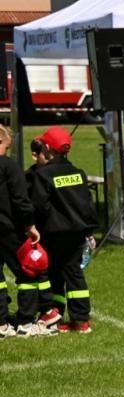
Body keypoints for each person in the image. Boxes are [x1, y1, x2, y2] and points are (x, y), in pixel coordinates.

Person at [27, 127, 97, 334]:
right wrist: (89, 230)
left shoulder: (43, 174)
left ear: (47, 148)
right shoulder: (78, 173)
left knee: (53, 275)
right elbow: (87, 204)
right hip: (77, 232)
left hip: (54, 233)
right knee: (74, 273)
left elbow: (39, 205)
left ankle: (54, 314)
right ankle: (81, 320)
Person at [0, 124, 42, 336]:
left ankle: (1, 324)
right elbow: (20, 199)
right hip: (8, 228)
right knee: (26, 273)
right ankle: (26, 321)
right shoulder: (9, 166)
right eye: (7, 145)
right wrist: (30, 225)